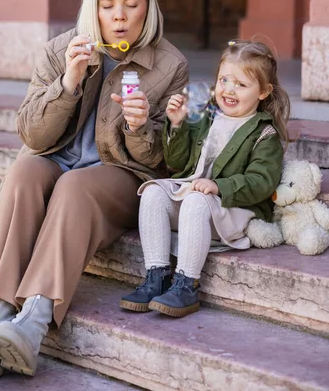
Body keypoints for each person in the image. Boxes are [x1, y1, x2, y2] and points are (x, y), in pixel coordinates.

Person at [0, 0, 188, 381]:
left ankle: (33, 322)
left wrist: (139, 128)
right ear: (93, 10)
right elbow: (31, 131)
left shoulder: (169, 66)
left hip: (118, 174)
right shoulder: (60, 49)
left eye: (131, 5)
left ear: (147, 10)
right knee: (25, 172)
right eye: (108, 6)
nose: (119, 16)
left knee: (75, 186)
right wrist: (68, 82)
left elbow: (169, 161)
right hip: (56, 157)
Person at [120, 40, 290, 318]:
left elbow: (262, 182)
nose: (229, 89)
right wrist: (176, 124)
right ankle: (157, 275)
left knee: (197, 201)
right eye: (224, 80)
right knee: (153, 191)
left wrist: (219, 186)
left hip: (232, 211)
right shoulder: (205, 117)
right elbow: (176, 164)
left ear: (263, 92)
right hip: (196, 205)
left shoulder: (265, 135)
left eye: (241, 84)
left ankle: (186, 284)